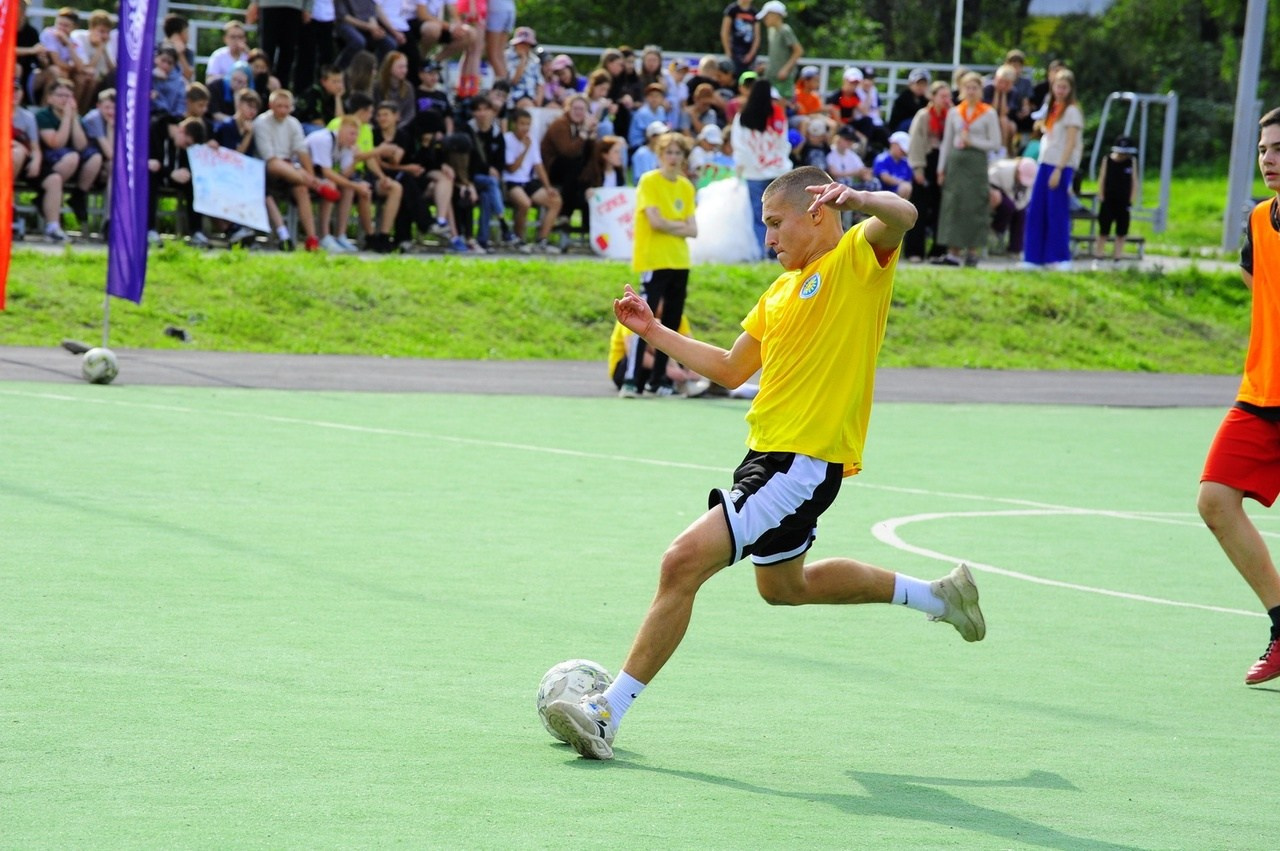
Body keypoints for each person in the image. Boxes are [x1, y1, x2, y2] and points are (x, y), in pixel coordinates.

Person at [543, 165, 984, 761]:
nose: (770, 238)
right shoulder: (778, 292)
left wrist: (858, 197)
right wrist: (653, 330)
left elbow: (903, 216)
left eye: (776, 223)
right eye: (765, 226)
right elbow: (729, 368)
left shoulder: (855, 258)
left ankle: (607, 712)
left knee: (681, 563)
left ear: (818, 212)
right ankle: (939, 597)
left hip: (798, 463)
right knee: (784, 587)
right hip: (770, 459)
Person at [1198, 107, 1280, 687]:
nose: (1269, 159)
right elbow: (1257, 277)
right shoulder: (1258, 219)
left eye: (1279, 149)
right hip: (1261, 393)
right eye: (1264, 150)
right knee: (1214, 500)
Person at [618, 132, 696, 398]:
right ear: (660, 156)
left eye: (678, 153)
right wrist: (679, 226)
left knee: (671, 324)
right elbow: (655, 222)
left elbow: (693, 229)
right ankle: (631, 380)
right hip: (654, 259)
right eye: (669, 153)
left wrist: (671, 224)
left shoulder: (686, 186)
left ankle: (659, 380)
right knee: (645, 318)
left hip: (679, 261)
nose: (673, 158)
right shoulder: (649, 181)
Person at [252, 88, 340, 251]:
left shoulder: (293, 123)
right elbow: (269, 157)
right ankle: (318, 185)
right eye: (279, 106)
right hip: (266, 170)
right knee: (276, 164)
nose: (283, 110)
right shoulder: (261, 123)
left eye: (287, 107)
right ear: (271, 105)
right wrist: (312, 178)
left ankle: (312, 238)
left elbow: (302, 152)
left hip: (291, 170)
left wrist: (309, 175)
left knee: (301, 188)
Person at [934, 71, 1000, 268]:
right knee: (953, 205)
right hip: (956, 164)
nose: (971, 91)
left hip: (976, 164)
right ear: (961, 89)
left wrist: (973, 141)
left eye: (975, 88)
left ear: (981, 90)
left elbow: (995, 143)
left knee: (974, 206)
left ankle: (972, 251)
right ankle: (953, 252)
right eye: (967, 87)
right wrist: (941, 168)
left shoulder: (988, 112)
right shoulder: (955, 112)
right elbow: (946, 142)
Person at [1022, 68, 1082, 269]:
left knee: (1056, 212)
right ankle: (1033, 258)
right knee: (1036, 210)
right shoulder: (1052, 108)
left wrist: (1060, 169)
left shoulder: (1072, 110)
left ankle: (1059, 257)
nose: (1060, 90)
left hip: (1059, 166)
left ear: (1070, 89)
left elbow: (1071, 143)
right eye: (1058, 86)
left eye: (1064, 87)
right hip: (1044, 163)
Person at [731, 78, 792, 258]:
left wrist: (743, 169)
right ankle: (779, 251)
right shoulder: (778, 115)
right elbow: (783, 143)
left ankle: (762, 252)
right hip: (777, 172)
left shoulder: (742, 117)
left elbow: (739, 146)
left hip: (754, 173)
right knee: (779, 214)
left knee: (759, 216)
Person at [503, 107, 562, 252]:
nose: (525, 128)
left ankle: (542, 240)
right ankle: (519, 239)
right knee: (525, 203)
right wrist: (524, 149)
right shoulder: (507, 140)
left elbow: (538, 165)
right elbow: (512, 168)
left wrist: (547, 186)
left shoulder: (532, 140)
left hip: (527, 181)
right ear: (514, 124)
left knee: (555, 201)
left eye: (528, 124)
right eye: (522, 124)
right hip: (511, 181)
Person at [905, 79, 951, 262]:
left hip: (943, 164)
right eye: (942, 96)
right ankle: (915, 250)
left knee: (942, 209)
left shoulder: (950, 116)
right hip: (926, 161)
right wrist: (918, 168)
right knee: (920, 208)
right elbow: (916, 142)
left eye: (948, 96)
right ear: (933, 97)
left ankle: (939, 250)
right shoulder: (923, 115)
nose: (946, 99)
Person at [1093, 135, 1139, 261]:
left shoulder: (1131, 161)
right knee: (1103, 229)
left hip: (1123, 200)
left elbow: (1134, 181)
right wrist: (1101, 195)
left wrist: (1131, 200)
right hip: (1108, 198)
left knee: (1122, 230)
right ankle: (1099, 255)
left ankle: (1117, 257)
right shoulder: (1107, 160)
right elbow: (1102, 178)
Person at [246, 0, 308, 91]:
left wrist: (308, 7)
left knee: (288, 56)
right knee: (264, 56)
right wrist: (254, 2)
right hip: (269, 5)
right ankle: (260, 92)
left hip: (294, 7)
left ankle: (282, 96)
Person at [987, 155, 1035, 256]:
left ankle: (1015, 249)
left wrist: (1019, 206)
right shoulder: (1004, 170)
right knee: (1008, 206)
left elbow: (1026, 197)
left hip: (1012, 195)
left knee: (1021, 213)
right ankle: (996, 233)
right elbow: (1007, 192)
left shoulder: (1032, 176)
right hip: (994, 188)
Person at [757, 0, 801, 100]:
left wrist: (785, 69)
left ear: (775, 15)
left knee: (782, 104)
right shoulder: (771, 31)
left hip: (783, 78)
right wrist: (767, 66)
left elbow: (798, 51)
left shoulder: (785, 30)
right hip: (772, 76)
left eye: (766, 16)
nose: (765, 19)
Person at [721, 0, 761, 78]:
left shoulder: (754, 12)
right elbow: (724, 32)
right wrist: (728, 52)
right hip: (734, 52)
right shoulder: (732, 10)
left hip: (749, 54)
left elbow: (757, 36)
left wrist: (751, 54)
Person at [205, 21, 252, 86]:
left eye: (240, 37)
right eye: (233, 37)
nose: (237, 40)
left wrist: (249, 53)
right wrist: (230, 79)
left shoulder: (249, 55)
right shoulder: (218, 55)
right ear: (225, 39)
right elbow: (210, 80)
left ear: (245, 39)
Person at [887, 68, 929, 135]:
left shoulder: (924, 99)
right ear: (910, 84)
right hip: (898, 130)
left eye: (923, 84)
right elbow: (918, 112)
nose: (920, 87)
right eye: (918, 84)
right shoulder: (904, 97)